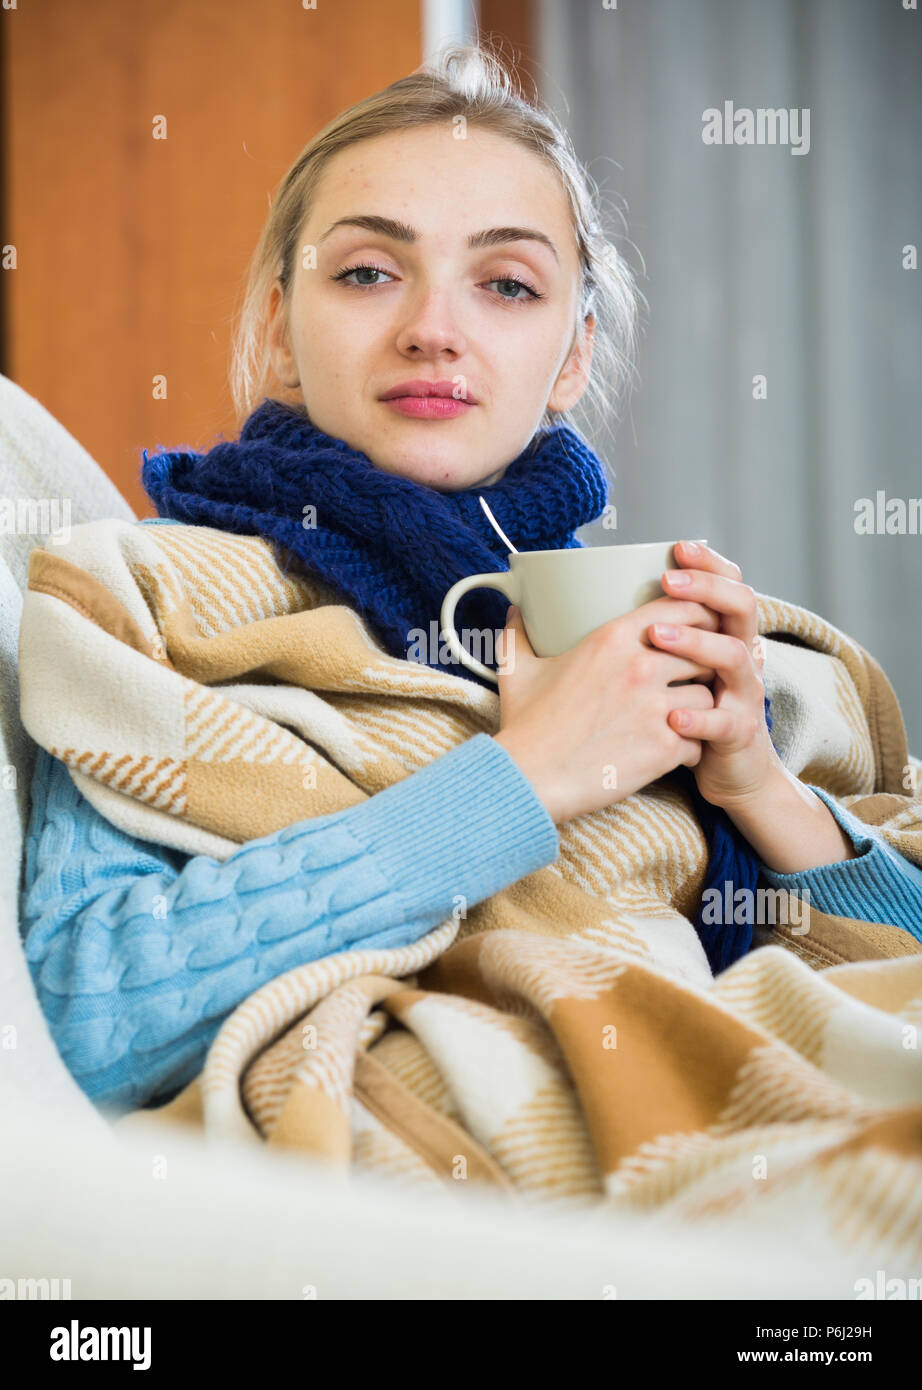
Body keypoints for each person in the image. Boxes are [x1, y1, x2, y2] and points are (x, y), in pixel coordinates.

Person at [19, 42, 922, 1120]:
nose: (433, 331)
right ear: (278, 331)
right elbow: (82, 1023)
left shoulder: (655, 642)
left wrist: (757, 791)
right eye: (366, 272)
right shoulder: (157, 607)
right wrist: (523, 779)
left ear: (574, 354)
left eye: (505, 284)